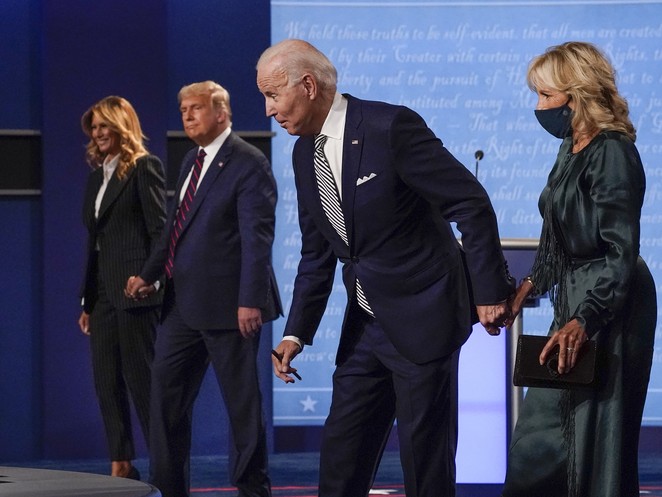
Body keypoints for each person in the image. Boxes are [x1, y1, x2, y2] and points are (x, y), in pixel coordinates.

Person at [257, 39, 515, 497]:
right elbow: (317, 253)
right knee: (341, 461)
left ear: (308, 86)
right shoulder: (303, 154)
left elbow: (470, 203)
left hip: (424, 318)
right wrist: (296, 333)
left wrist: (489, 292)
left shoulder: (389, 127)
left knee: (426, 470)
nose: (268, 109)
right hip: (365, 326)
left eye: (273, 95)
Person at [501, 41, 657, 497]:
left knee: (592, 434)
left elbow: (621, 250)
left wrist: (585, 320)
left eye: (546, 95)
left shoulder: (612, 151)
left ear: (578, 94)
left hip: (609, 304)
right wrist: (529, 286)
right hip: (574, 298)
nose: (539, 106)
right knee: (539, 440)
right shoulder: (570, 147)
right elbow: (558, 238)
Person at [125, 81, 282, 497]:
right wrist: (149, 275)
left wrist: (250, 300)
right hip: (182, 305)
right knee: (165, 400)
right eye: (183, 110)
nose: (187, 116)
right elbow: (174, 230)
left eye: (195, 108)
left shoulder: (248, 162)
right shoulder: (191, 161)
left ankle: (252, 489)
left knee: (241, 406)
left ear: (222, 113)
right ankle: (167, 488)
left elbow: (256, 239)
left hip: (232, 307)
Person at [78, 96, 166, 479]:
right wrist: (88, 301)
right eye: (94, 127)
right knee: (106, 381)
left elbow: (160, 231)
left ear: (121, 127)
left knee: (141, 381)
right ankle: (121, 464)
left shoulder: (145, 167)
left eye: (104, 126)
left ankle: (165, 464)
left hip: (135, 293)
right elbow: (95, 244)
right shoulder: (96, 178)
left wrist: (151, 278)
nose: (98, 133)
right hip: (102, 297)